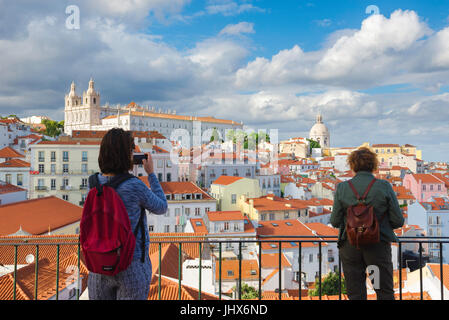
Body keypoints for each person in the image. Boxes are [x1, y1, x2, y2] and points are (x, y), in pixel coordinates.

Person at [87, 128, 168, 300]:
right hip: (131, 264)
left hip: (99, 263)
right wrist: (151, 174)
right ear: (127, 155)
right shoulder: (134, 185)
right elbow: (161, 207)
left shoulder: (93, 184)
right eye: (131, 151)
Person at [330, 147, 404, 300]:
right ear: (373, 165)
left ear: (353, 165)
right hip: (377, 248)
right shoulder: (384, 186)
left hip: (351, 248)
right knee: (383, 291)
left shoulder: (343, 188)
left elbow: (335, 221)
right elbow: (398, 221)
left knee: (356, 293)